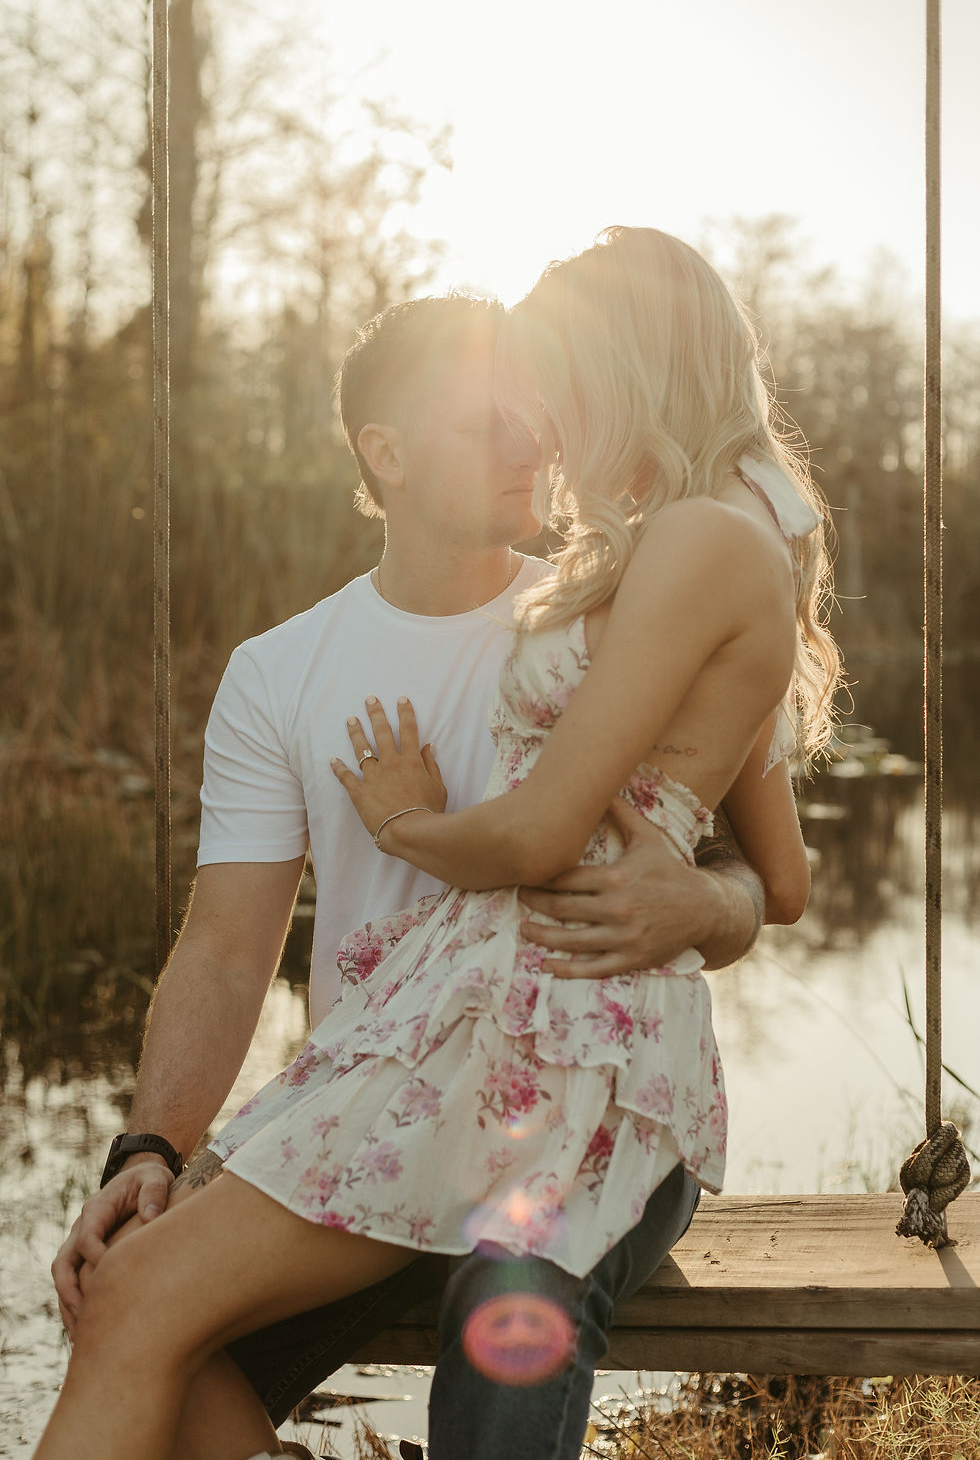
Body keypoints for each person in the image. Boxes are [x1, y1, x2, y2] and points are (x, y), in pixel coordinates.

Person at [41, 248, 823, 1460]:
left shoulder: (610, 590)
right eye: (492, 421)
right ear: (384, 456)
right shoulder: (284, 672)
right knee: (131, 1307)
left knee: (507, 1308)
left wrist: (698, 907)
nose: (534, 440)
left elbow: (741, 864)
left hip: (551, 1067)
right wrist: (152, 1147)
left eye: (539, 403)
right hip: (385, 1080)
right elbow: (224, 943)